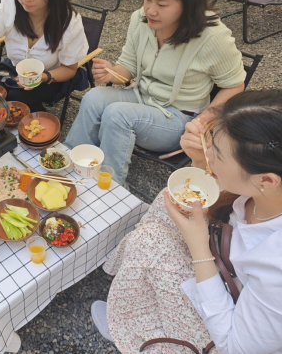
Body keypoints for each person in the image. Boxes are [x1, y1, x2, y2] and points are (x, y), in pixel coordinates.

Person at [92, 90, 282, 354]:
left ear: (267, 180)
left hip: (227, 327)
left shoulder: (276, 266)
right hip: (225, 267)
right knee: (167, 205)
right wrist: (200, 162)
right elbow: (210, 192)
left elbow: (234, 347)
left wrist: (199, 249)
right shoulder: (265, 190)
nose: (208, 151)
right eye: (211, 141)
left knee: (150, 240)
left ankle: (138, 330)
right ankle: (134, 296)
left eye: (218, 153)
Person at [65, 0, 245, 186]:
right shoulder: (140, 20)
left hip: (179, 117)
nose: (150, 10)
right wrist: (113, 72)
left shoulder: (212, 37)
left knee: (117, 115)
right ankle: (68, 167)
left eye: (162, 4)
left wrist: (203, 121)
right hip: (141, 97)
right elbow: (129, 65)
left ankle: (110, 188)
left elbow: (235, 86)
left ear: (189, 5)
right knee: (93, 97)